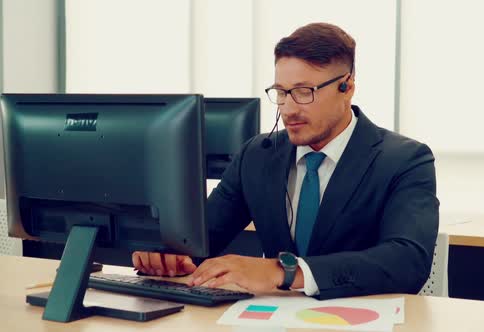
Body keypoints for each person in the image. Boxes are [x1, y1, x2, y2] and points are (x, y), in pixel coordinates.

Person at [133, 22, 439, 300]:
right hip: (275, 319)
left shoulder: (404, 159)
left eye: (304, 92)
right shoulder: (257, 154)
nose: (288, 109)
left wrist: (284, 272)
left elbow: (407, 263)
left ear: (347, 87)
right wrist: (169, 256)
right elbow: (203, 239)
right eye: (281, 92)